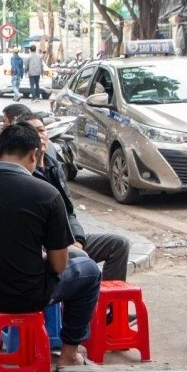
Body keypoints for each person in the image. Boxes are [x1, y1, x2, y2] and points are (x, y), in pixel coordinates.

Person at [0, 122, 100, 368]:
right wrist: (33, 260)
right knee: (89, 271)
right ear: (33, 155)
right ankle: (69, 354)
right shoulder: (47, 194)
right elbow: (59, 265)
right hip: (26, 295)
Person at [18, 114, 131, 282]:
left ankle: (108, 305)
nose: (39, 135)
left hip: (69, 238)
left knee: (119, 244)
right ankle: (81, 304)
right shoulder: (25, 176)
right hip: (49, 246)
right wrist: (66, 244)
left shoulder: (55, 167)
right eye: (33, 132)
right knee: (82, 259)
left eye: (41, 130)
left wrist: (77, 238)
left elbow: (69, 210)